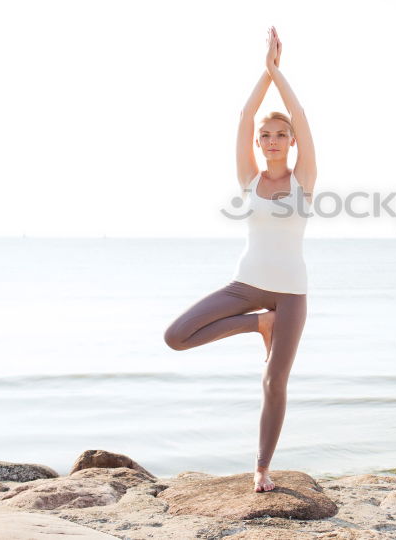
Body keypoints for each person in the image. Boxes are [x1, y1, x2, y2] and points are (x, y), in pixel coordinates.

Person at [163, 27, 315, 493]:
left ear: (290, 141)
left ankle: (262, 467)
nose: (271, 140)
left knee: (275, 382)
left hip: (290, 293)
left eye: (280, 135)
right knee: (176, 336)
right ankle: (257, 325)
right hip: (245, 286)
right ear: (258, 142)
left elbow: (303, 116)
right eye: (265, 135)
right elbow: (245, 113)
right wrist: (262, 72)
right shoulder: (248, 178)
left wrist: (278, 73)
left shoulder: (302, 181)